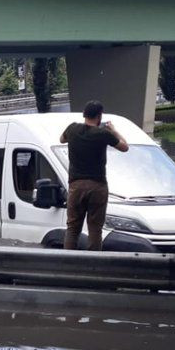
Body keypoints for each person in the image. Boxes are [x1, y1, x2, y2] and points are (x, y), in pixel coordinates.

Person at [59, 101, 129, 251]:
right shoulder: (103, 134)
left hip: (76, 185)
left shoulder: (72, 129)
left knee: (72, 227)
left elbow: (61, 139)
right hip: (98, 186)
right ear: (99, 116)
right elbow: (125, 147)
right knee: (95, 228)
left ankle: (67, 262)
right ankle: (93, 265)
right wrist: (113, 130)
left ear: (84, 114)